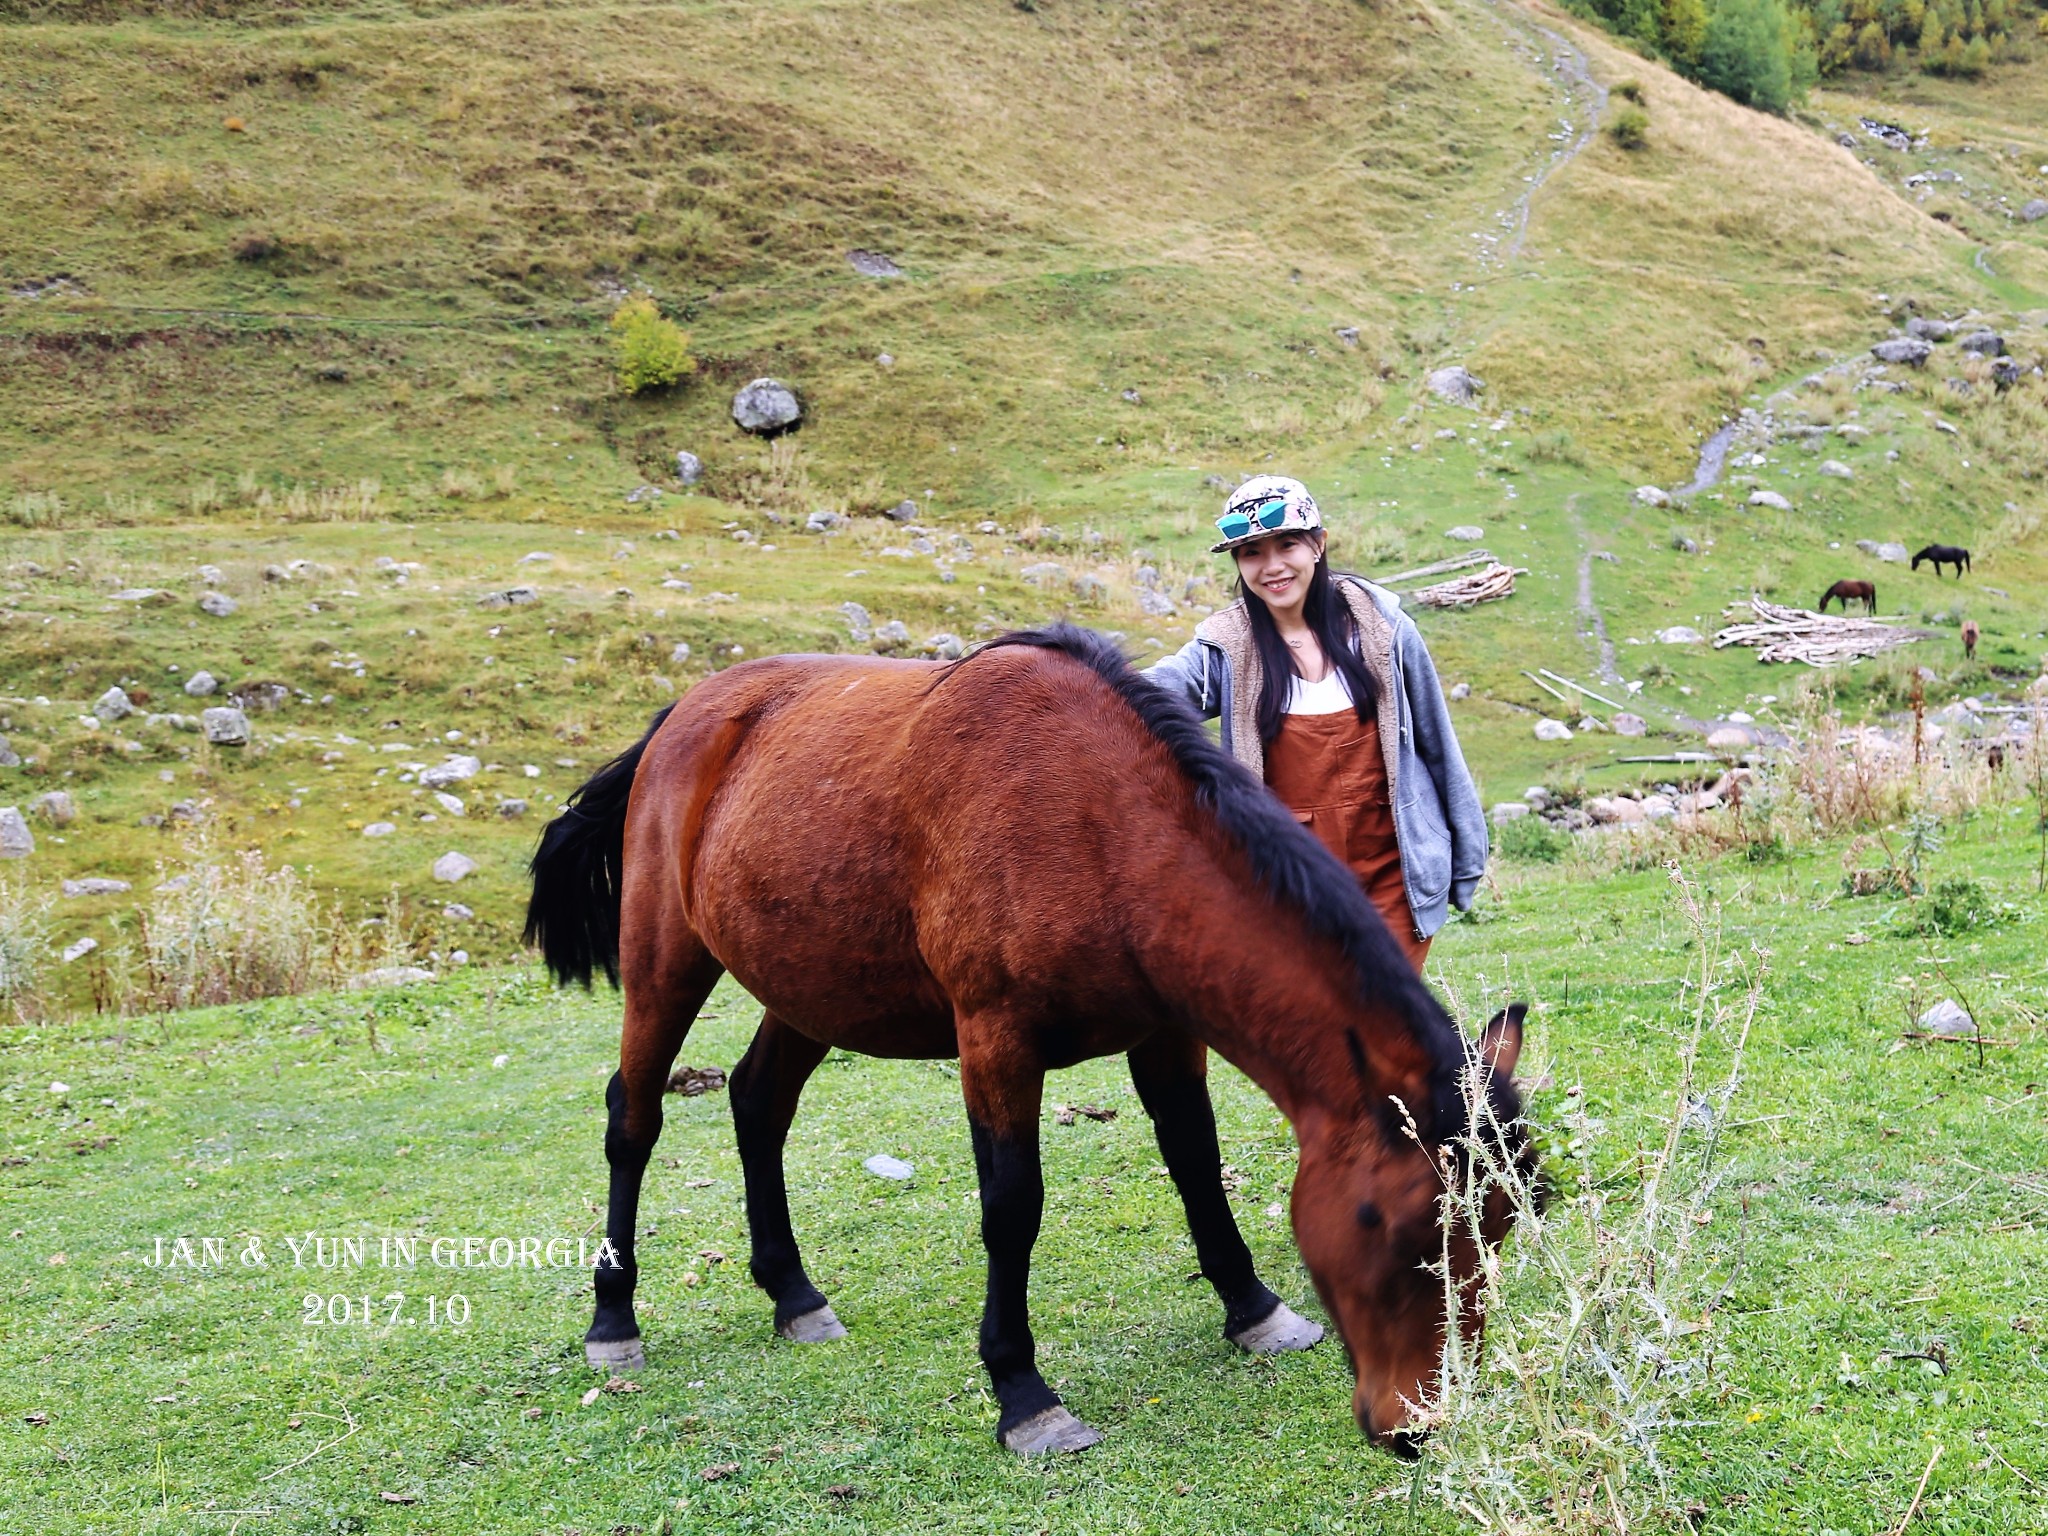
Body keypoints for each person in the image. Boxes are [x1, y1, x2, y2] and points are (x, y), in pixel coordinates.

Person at [1146, 475, 1486, 970]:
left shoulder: (1384, 629)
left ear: (1319, 545)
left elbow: (1438, 743)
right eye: (1251, 553)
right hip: (1289, 882)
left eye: (1287, 545)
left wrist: (1466, 856)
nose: (1272, 566)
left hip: (1391, 868)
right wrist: (1071, 681)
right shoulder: (1225, 648)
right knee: (1317, 1031)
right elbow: (1150, 691)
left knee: (1379, 1020)